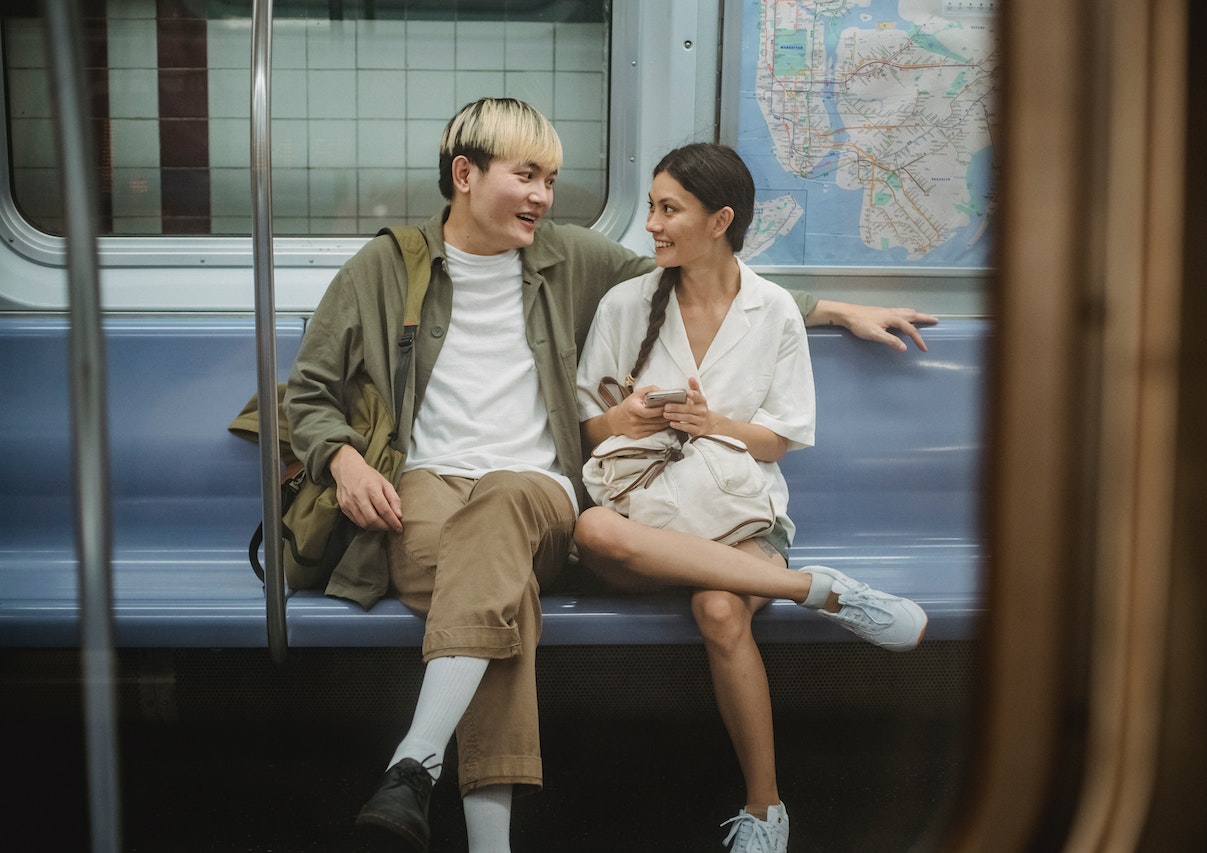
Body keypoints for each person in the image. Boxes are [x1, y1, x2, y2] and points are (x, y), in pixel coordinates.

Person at [285, 98, 936, 853]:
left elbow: (707, 274)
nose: (544, 196)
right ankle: (459, 817)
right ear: (464, 175)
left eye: (551, 179)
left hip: (537, 489)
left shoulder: (570, 256)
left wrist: (837, 307)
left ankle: (414, 760)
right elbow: (310, 389)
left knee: (499, 511)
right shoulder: (385, 267)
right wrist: (345, 457)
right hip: (426, 485)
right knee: (496, 602)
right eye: (527, 175)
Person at [573, 143, 928, 853]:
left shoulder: (771, 313)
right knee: (592, 532)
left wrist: (714, 425)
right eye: (649, 206)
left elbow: (778, 439)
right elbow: (592, 428)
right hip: (647, 518)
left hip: (737, 512)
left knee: (717, 606)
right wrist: (633, 418)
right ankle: (813, 589)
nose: (651, 224)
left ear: (719, 220)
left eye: (668, 208)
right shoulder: (626, 303)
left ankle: (767, 811)